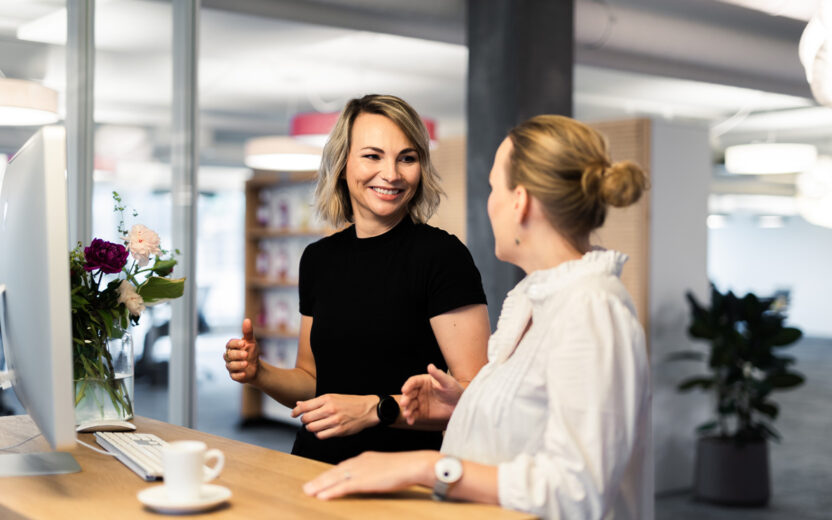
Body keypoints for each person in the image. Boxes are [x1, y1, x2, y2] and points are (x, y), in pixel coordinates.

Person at [303, 114, 653, 520]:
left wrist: (421, 467)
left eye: (492, 188)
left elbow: (579, 491)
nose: (489, 203)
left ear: (519, 201)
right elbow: (533, 420)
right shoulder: (533, 300)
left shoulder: (593, 310)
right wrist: (465, 403)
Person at [224, 94, 491, 464]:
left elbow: (474, 397)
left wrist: (374, 409)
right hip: (313, 465)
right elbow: (312, 380)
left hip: (399, 475)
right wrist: (260, 373)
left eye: (407, 158)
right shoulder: (318, 259)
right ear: (342, 163)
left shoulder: (442, 257)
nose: (392, 174)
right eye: (373, 155)